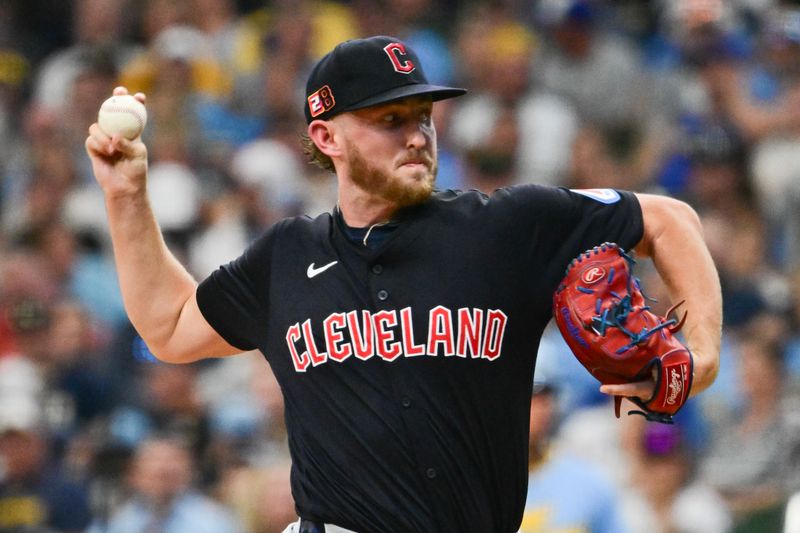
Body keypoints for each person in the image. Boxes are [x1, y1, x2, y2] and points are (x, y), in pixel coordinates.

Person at [85, 35, 722, 533]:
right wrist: (126, 195)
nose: (417, 134)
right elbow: (168, 327)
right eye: (390, 118)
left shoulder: (506, 226)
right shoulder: (286, 257)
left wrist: (702, 354)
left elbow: (669, 219)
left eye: (423, 115)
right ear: (325, 136)